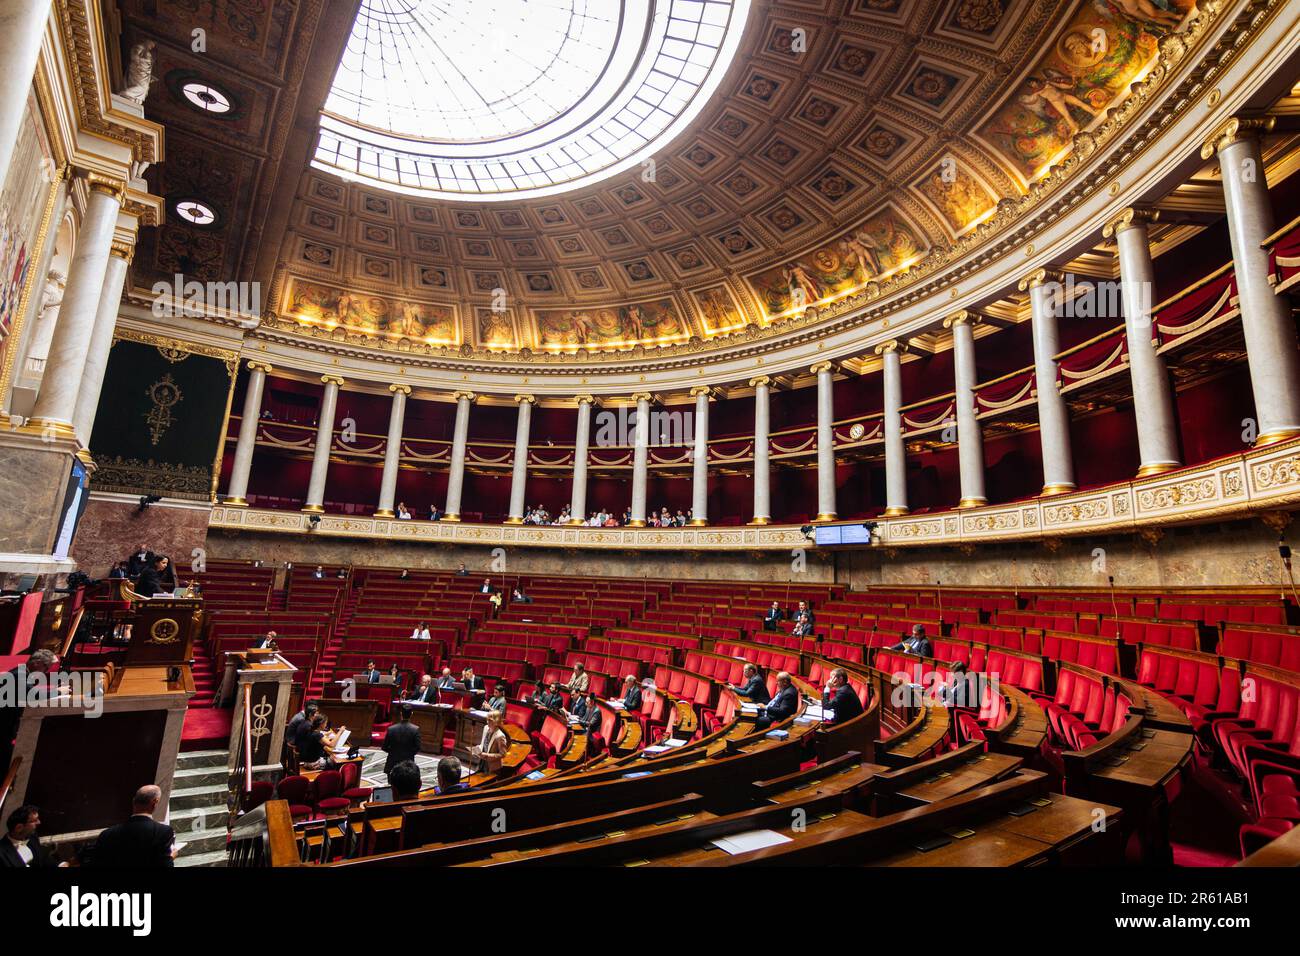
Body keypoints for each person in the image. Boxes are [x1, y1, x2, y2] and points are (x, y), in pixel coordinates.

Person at [0, 649, 60, 775]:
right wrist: (59, 692)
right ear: (37, 663)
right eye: (46, 667)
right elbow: (32, 694)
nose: (46, 672)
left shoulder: (23, 673)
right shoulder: (18, 675)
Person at [89, 786, 175, 867]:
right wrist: (171, 857)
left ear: (134, 801)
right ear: (155, 803)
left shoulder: (107, 834)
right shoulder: (163, 831)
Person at [381, 706, 422, 777]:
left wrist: (394, 751)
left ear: (401, 714)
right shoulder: (415, 729)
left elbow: (384, 747)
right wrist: (408, 753)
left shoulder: (391, 729)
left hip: (392, 763)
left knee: (392, 785)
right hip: (408, 765)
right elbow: (418, 747)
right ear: (411, 714)